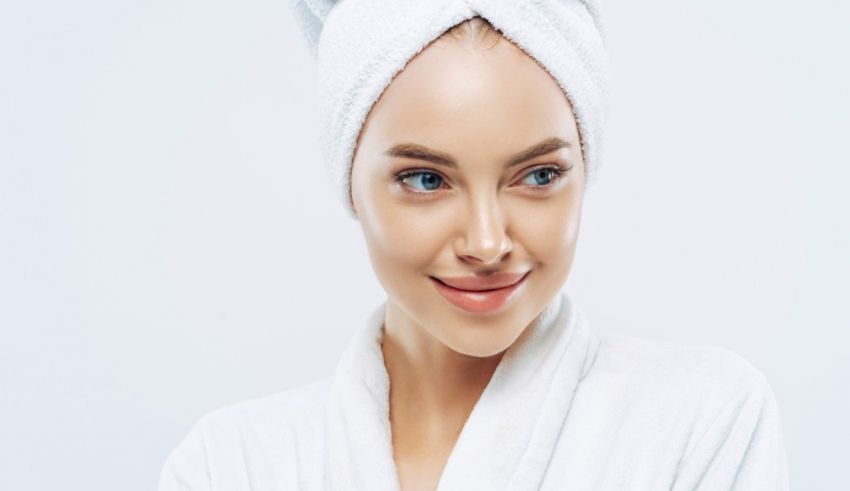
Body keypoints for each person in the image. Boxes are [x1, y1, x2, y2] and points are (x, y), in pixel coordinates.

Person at [159, 2, 789, 490]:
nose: (487, 243)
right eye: (426, 180)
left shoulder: (700, 422)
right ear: (350, 182)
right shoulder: (232, 464)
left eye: (538, 176)